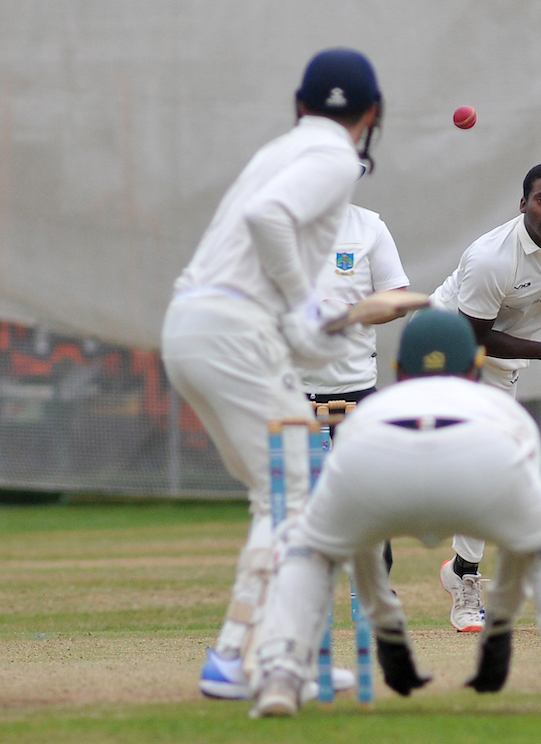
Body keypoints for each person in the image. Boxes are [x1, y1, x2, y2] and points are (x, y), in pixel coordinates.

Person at [250, 309, 541, 718]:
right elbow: (523, 543)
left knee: (303, 543)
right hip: (482, 451)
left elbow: (360, 542)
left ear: (398, 370)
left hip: (377, 448)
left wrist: (388, 632)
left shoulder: (369, 410)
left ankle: (281, 673)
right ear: (477, 366)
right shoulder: (504, 410)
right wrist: (498, 630)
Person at [160, 47, 383, 701]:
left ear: (299, 105)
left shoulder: (275, 151)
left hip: (192, 326)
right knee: (299, 492)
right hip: (232, 331)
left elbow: (262, 239)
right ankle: (239, 656)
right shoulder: (337, 157)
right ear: (371, 114)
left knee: (283, 493)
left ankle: (295, 662)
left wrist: (307, 321)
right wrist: (305, 303)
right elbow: (269, 220)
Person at [430, 95, 541, 633]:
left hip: (498, 354)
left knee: (496, 470)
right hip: (448, 342)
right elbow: (473, 337)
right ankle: (466, 586)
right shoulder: (492, 261)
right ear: (523, 205)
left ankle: (463, 569)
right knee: (480, 464)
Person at [303, 202, 411, 574]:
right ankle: (292, 601)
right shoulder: (277, 225)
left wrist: (352, 314)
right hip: (291, 390)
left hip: (353, 388)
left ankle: (376, 599)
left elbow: (398, 298)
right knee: (289, 505)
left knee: (368, 497)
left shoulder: (369, 227)